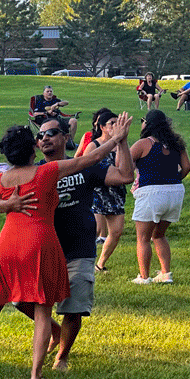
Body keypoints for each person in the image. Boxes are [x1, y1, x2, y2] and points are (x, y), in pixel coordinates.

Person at [0, 116, 130, 379]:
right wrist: (115, 139)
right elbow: (85, 161)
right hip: (41, 244)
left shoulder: (15, 175)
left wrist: (121, 142)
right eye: (40, 136)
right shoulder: (44, 171)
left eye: (52, 133)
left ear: (65, 137)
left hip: (43, 245)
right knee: (33, 305)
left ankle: (54, 355)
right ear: (33, 148)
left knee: (60, 305)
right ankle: (41, 361)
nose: (44, 138)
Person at [129, 110, 190, 284]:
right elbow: (187, 167)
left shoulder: (143, 144)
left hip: (151, 193)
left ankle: (144, 277)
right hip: (175, 192)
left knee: (143, 238)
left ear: (147, 124)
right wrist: (172, 180)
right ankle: (165, 274)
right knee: (159, 235)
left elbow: (124, 162)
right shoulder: (177, 143)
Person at [75, 109, 128, 273]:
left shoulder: (121, 144)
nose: (115, 126)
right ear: (103, 127)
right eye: (112, 123)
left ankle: (100, 264)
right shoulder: (94, 145)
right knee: (95, 230)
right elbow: (84, 166)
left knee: (117, 231)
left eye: (117, 122)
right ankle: (79, 262)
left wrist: (121, 143)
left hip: (116, 193)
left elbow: (125, 168)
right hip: (96, 193)